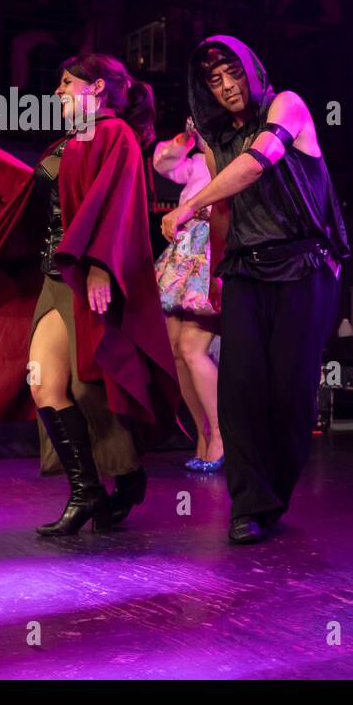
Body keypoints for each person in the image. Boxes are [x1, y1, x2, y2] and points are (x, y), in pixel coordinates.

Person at [0, 53, 180, 535]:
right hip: (53, 278)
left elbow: (119, 203)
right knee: (44, 384)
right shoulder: (70, 141)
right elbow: (37, 196)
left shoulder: (113, 134)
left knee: (90, 385)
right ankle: (87, 491)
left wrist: (101, 267)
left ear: (95, 88)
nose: (56, 93)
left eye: (65, 83)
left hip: (85, 277)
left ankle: (125, 475)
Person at [161, 36, 348, 544]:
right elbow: (223, 205)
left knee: (288, 391)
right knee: (240, 388)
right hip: (245, 267)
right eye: (214, 82)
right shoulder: (218, 137)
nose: (226, 88)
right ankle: (249, 504)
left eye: (233, 75)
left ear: (251, 69)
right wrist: (215, 267)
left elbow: (259, 161)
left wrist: (185, 205)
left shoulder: (288, 104)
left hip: (302, 265)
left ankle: (273, 497)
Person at [153, 118, 223, 473]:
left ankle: (221, 436)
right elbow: (163, 162)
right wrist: (188, 135)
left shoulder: (232, 152)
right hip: (184, 250)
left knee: (194, 349)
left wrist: (203, 210)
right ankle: (203, 432)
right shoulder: (195, 159)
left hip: (213, 248)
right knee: (178, 351)